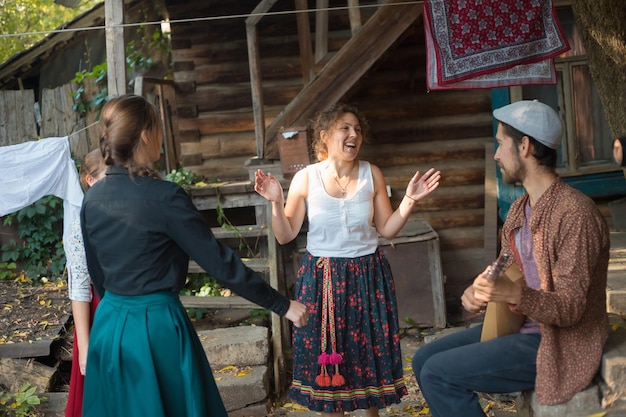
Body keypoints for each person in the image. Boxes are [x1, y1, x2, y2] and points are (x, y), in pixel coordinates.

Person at [80, 94, 308, 417]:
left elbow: (97, 275)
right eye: (158, 128)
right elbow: (219, 263)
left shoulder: (92, 198)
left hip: (109, 325)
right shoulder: (165, 197)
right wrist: (281, 304)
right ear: (146, 134)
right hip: (156, 328)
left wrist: (120, 307)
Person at [412, 99, 610, 417]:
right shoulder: (520, 209)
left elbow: (572, 307)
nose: (496, 155)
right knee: (423, 360)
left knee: (438, 373)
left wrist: (514, 294)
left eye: (501, 144)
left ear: (525, 146)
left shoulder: (575, 213)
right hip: (522, 330)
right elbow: (506, 266)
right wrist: (482, 288)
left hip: (559, 341)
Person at [255, 102, 441, 417]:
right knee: (331, 364)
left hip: (368, 275)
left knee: (367, 358)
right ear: (325, 136)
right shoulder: (307, 179)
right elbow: (285, 235)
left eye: (357, 129)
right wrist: (276, 202)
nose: (353, 134)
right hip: (322, 279)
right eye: (345, 127)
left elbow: (387, 228)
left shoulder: (372, 174)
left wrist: (409, 200)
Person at [64, 149, 106, 417]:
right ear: (90, 180)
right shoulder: (80, 224)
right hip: (97, 313)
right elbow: (79, 286)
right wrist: (85, 346)